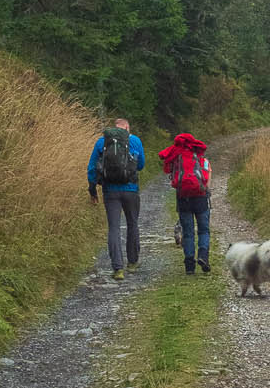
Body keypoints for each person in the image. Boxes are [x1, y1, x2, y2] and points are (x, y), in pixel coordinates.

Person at [88, 117, 146, 280]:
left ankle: (118, 268)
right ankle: (133, 262)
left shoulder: (102, 142)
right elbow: (141, 165)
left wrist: (92, 190)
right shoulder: (135, 140)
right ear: (127, 127)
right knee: (132, 223)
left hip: (110, 191)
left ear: (115, 128)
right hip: (131, 189)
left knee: (114, 227)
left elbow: (92, 167)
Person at [159, 131, 211, 274]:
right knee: (204, 230)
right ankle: (203, 255)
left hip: (183, 198)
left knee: (187, 232)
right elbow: (207, 177)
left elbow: (167, 170)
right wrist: (205, 190)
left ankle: (189, 265)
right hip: (200, 197)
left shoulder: (176, 157)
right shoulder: (201, 158)